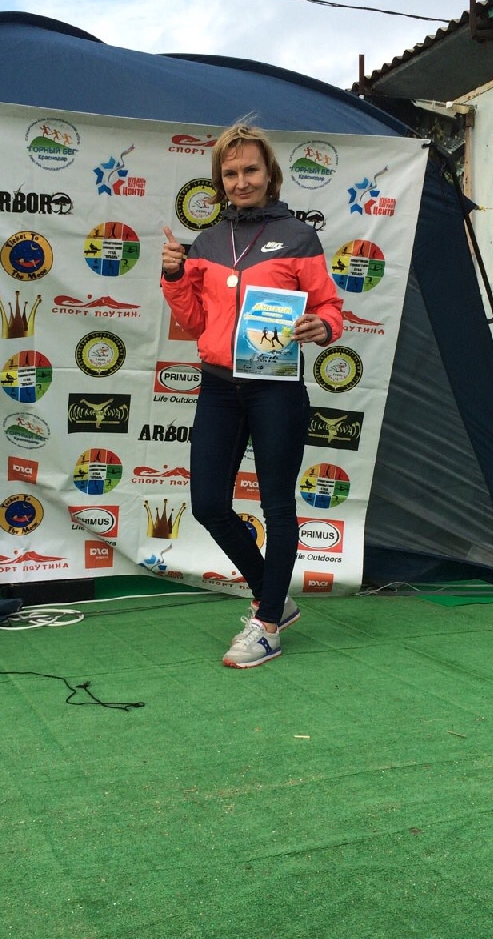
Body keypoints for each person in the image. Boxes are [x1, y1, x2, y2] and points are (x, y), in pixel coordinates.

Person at [161, 123, 343, 668]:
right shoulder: (207, 242)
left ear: (270, 174)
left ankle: (266, 628)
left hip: (276, 389)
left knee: (278, 507)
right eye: (231, 172)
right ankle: (273, 597)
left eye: (251, 170)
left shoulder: (299, 237)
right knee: (208, 504)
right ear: (220, 180)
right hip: (219, 387)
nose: (241, 181)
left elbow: (329, 307)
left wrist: (323, 326)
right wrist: (175, 278)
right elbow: (194, 322)